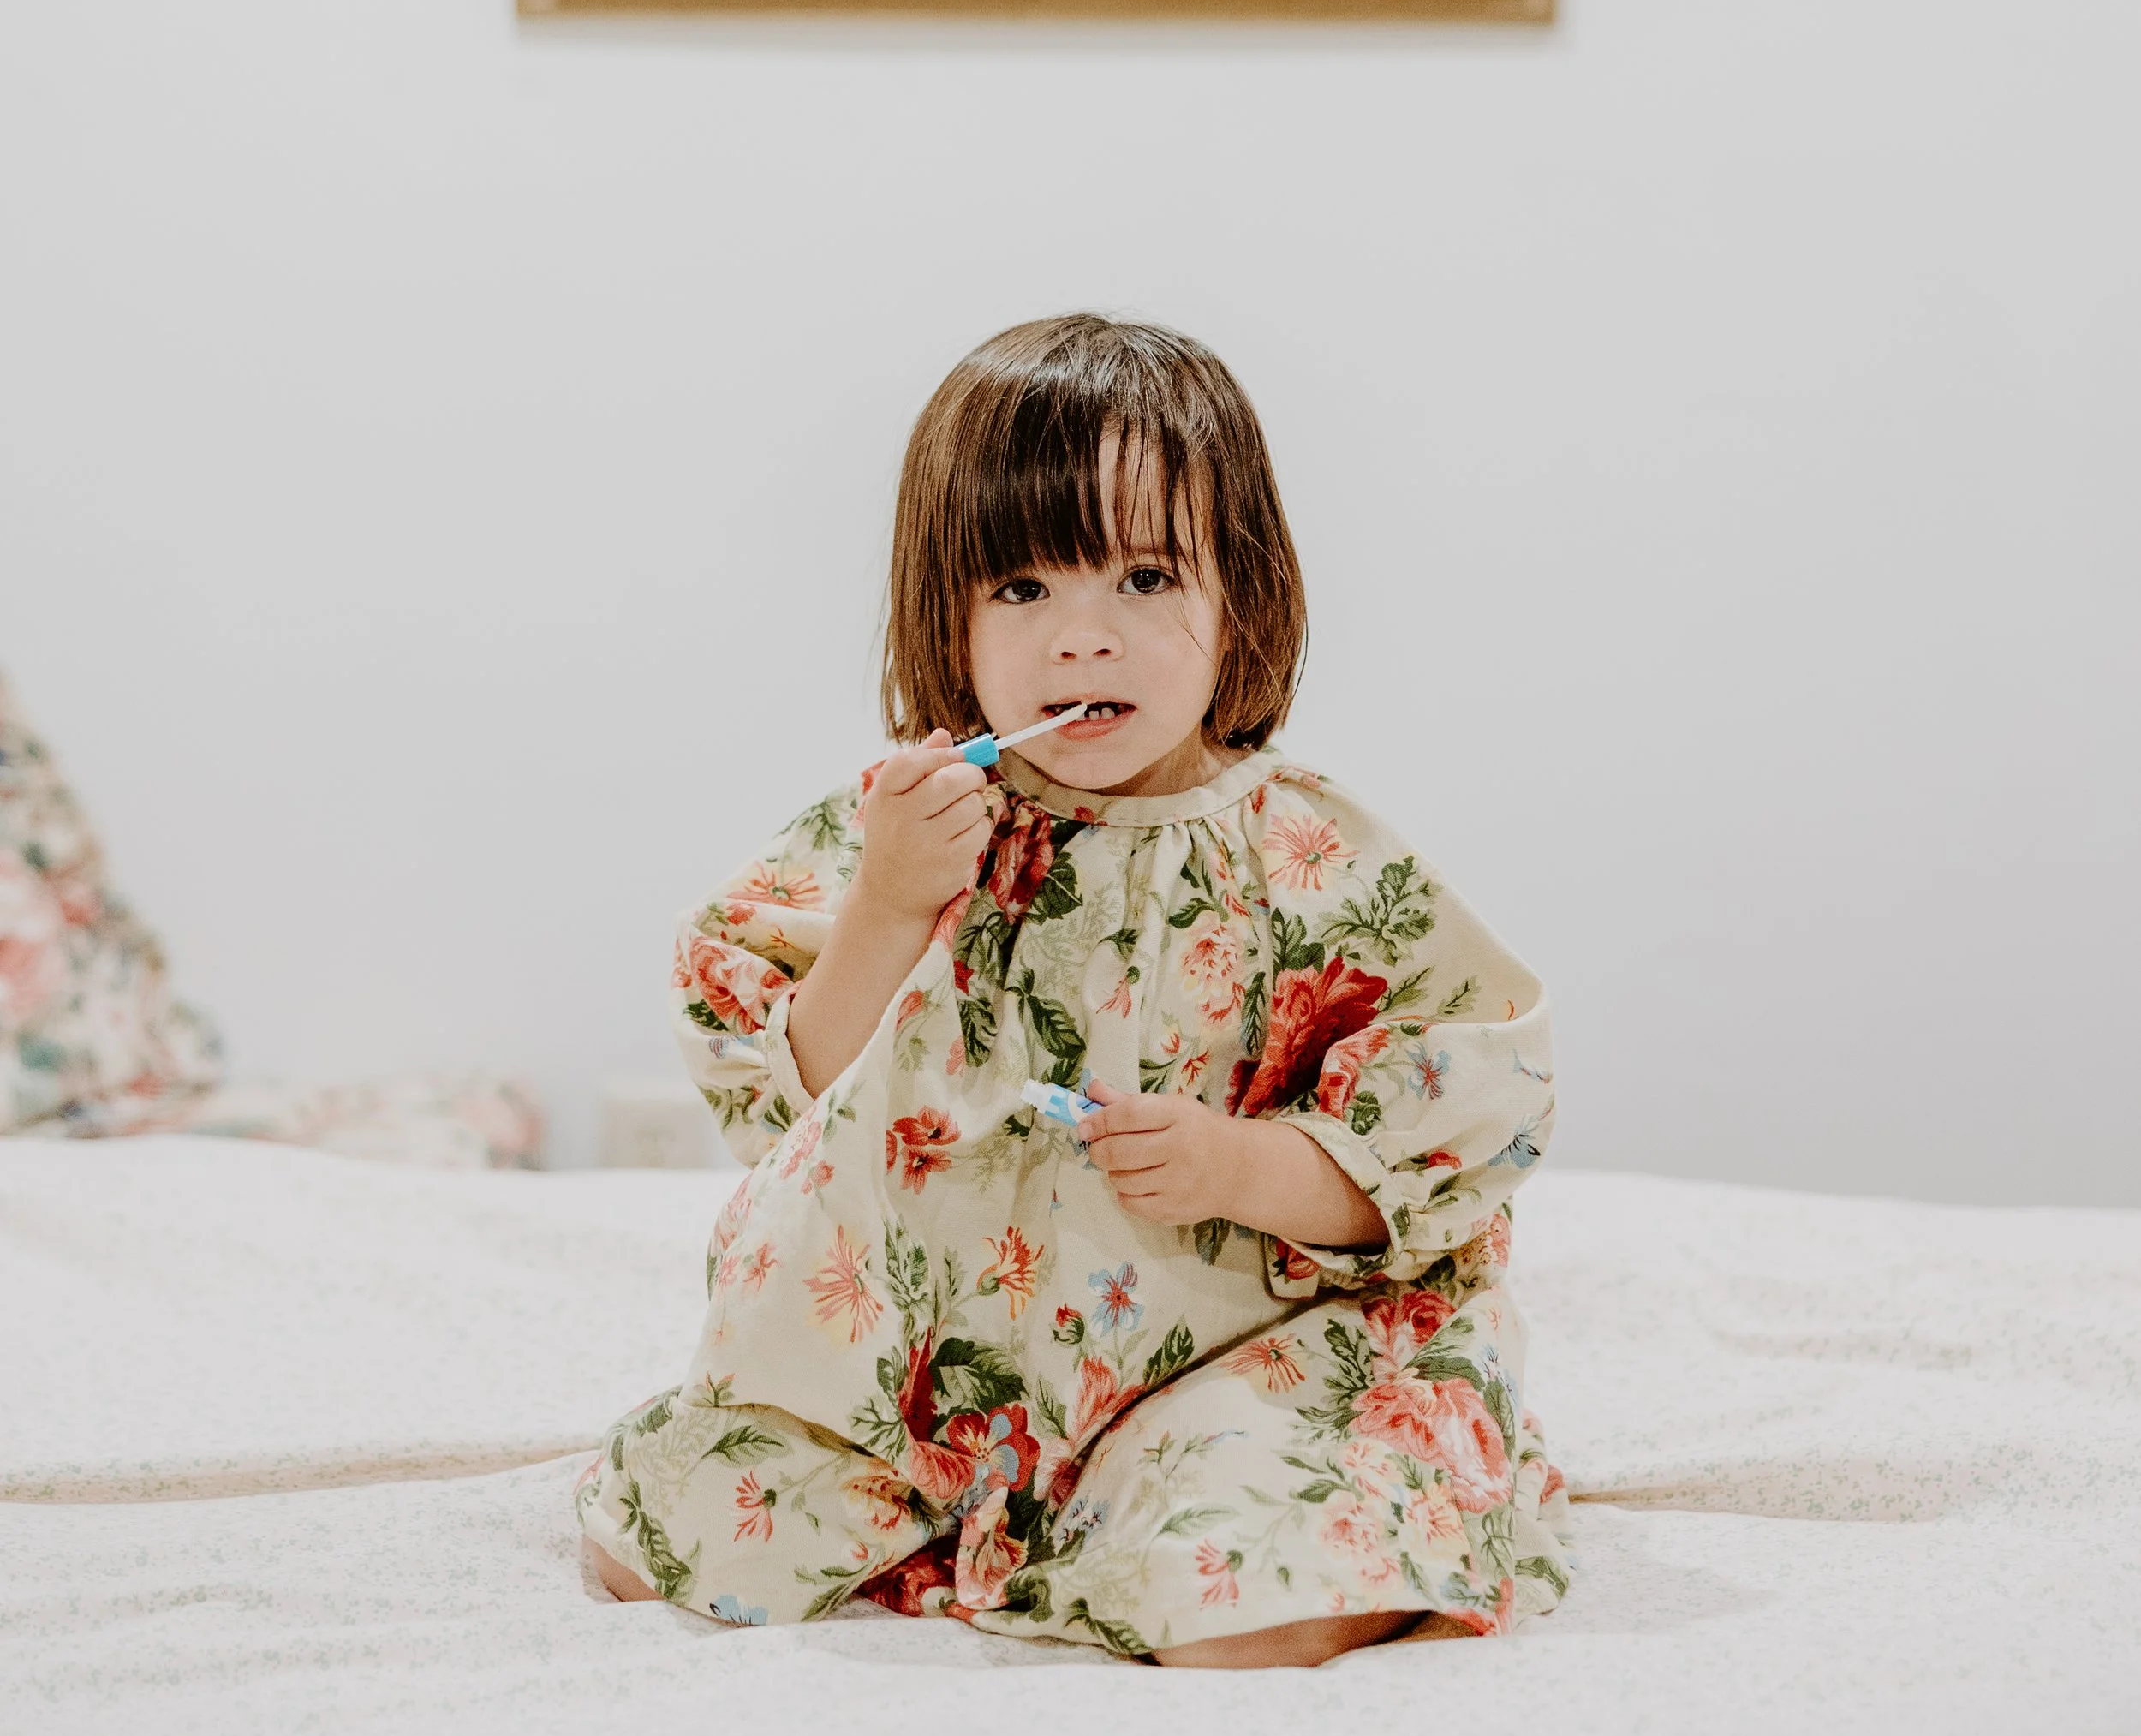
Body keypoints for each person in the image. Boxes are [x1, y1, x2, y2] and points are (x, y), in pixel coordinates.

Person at [578, 313, 1572, 1663]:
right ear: (947, 613)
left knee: (1251, 1610)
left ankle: (1247, 1511)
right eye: (1023, 588)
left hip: (1230, 1361)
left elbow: (1455, 1118)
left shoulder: (1310, 853)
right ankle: (996, 1524)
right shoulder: (903, 828)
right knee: (663, 1546)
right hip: (929, 1387)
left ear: (1243, 595)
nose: (1084, 639)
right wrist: (888, 908)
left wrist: (1238, 1164)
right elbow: (784, 1102)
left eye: (1146, 577)